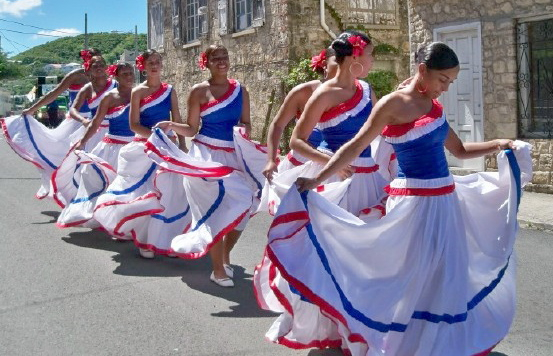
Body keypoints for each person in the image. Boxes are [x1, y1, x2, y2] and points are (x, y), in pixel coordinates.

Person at [260, 42, 532, 355]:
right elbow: (354, 145)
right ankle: (398, 342)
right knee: (411, 276)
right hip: (412, 205)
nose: (445, 88)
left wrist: (499, 144)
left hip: (446, 202)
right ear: (422, 70)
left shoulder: (434, 106)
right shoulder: (391, 105)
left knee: (446, 273)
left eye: (451, 82)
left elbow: (459, 150)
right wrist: (319, 178)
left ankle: (440, 344)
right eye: (442, 80)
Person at [149, 44, 267, 287]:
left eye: (225, 57)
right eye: (216, 58)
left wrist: (243, 137)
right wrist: (170, 125)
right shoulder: (199, 91)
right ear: (207, 62)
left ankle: (224, 256)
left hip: (233, 154)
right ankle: (217, 270)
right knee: (214, 210)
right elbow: (192, 128)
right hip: (205, 155)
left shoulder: (240, 90)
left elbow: (246, 123)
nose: (222, 61)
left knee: (244, 205)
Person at [93, 50, 193, 255]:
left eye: (158, 62)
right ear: (143, 67)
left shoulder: (170, 90)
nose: (155, 66)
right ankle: (146, 239)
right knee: (146, 193)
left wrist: (181, 144)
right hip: (145, 147)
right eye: (150, 63)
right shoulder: (137, 92)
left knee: (172, 192)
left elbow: (177, 118)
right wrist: (155, 137)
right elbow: (134, 125)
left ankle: (166, 238)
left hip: (168, 146)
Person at [52, 63, 136, 228]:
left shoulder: (139, 94)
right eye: (124, 74)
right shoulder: (109, 97)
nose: (129, 77)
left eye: (131, 73)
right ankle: (110, 219)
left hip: (133, 147)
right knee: (105, 184)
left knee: (131, 186)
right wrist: (82, 143)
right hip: (112, 147)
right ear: (116, 77)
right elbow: (95, 122)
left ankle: (125, 222)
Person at [261, 47, 338, 182]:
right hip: (299, 170)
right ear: (325, 65)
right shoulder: (303, 92)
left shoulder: (358, 95)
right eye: (339, 62)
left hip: (339, 170)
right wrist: (271, 160)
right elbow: (278, 125)